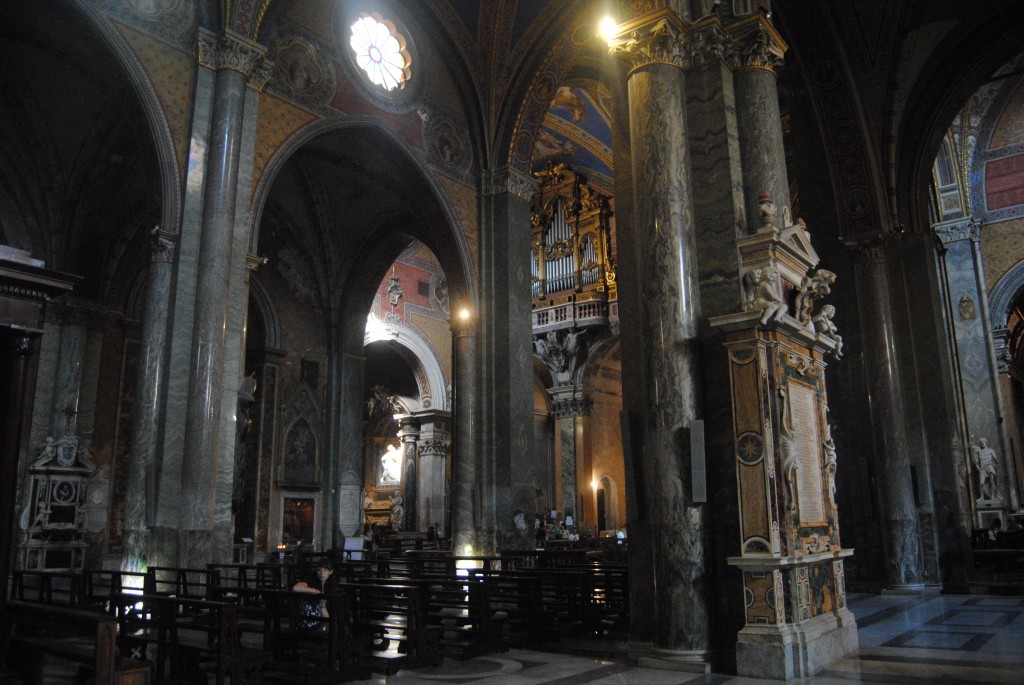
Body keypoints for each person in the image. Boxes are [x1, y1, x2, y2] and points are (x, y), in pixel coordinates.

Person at [292, 562, 334, 633]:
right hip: (310, 617)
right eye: (319, 570)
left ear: (330, 572)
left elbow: (324, 610)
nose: (321, 573)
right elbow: (296, 588)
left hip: (324, 616)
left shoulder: (331, 585)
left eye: (325, 570)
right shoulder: (311, 580)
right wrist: (316, 591)